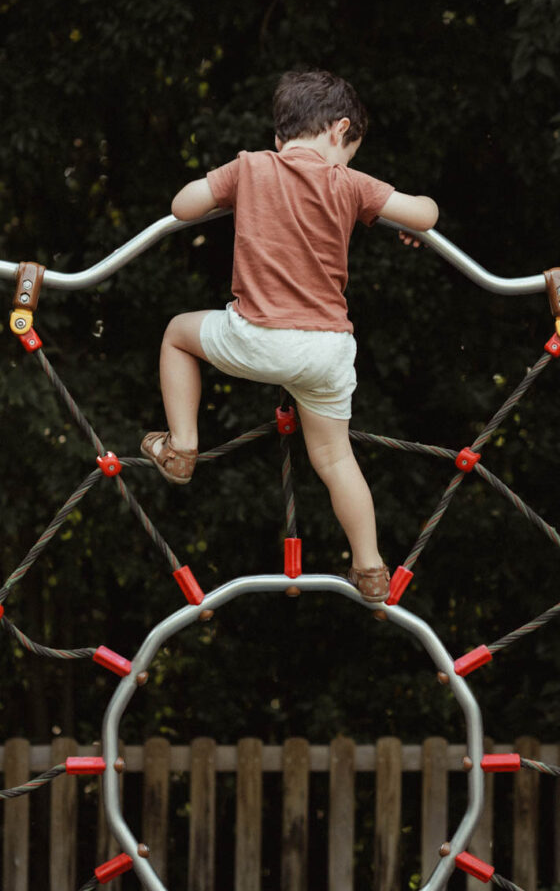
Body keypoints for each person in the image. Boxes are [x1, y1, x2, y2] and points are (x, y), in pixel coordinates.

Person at [142, 70, 438, 602]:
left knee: (176, 334)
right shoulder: (348, 182)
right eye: (348, 151)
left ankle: (182, 445)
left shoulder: (252, 167)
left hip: (255, 336)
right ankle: (369, 564)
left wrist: (232, 186)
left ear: (280, 138)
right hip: (326, 350)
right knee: (335, 458)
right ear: (339, 130)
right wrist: (405, 215)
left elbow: (183, 206)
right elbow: (424, 213)